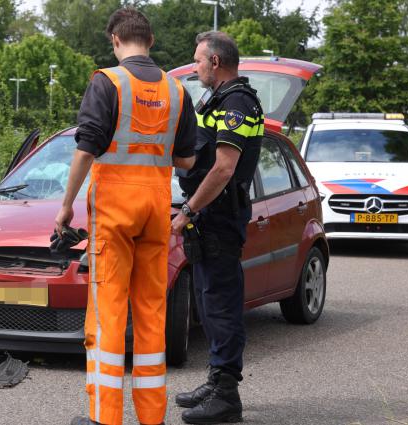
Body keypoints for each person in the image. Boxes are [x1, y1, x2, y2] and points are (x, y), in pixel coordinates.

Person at [56, 7, 196, 425]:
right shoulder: (177, 91)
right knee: (152, 311)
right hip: (156, 208)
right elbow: (187, 160)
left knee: (109, 311)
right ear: (150, 41)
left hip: (115, 210)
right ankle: (152, 417)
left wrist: (66, 205)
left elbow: (87, 147)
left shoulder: (108, 81)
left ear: (115, 40)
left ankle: (105, 417)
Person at [170, 31, 264, 424]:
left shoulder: (238, 103)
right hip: (211, 218)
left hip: (220, 217)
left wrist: (188, 211)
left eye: (197, 60)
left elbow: (224, 168)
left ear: (215, 62)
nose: (194, 67)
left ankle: (227, 396)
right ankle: (216, 379)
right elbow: (200, 159)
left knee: (221, 304)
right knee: (209, 301)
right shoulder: (219, 101)